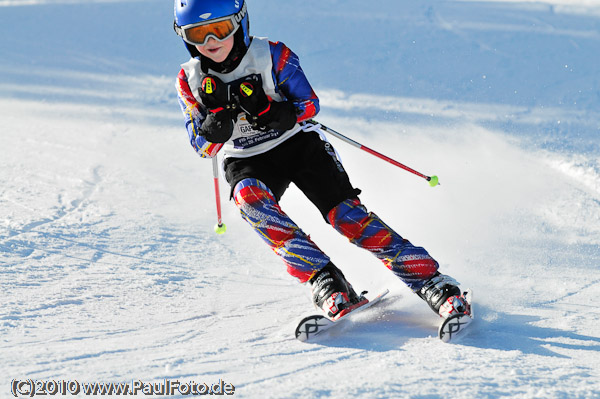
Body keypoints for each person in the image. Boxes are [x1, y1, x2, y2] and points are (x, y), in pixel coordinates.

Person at [173, 0, 469, 321]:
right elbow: (202, 147)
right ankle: (325, 280)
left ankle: (431, 280)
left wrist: (277, 113)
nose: (210, 43)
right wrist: (213, 130)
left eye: (219, 30)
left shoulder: (272, 55)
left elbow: (310, 104)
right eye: (198, 34)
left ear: (240, 23)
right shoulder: (189, 79)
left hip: (298, 145)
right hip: (247, 159)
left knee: (347, 218)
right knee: (248, 199)